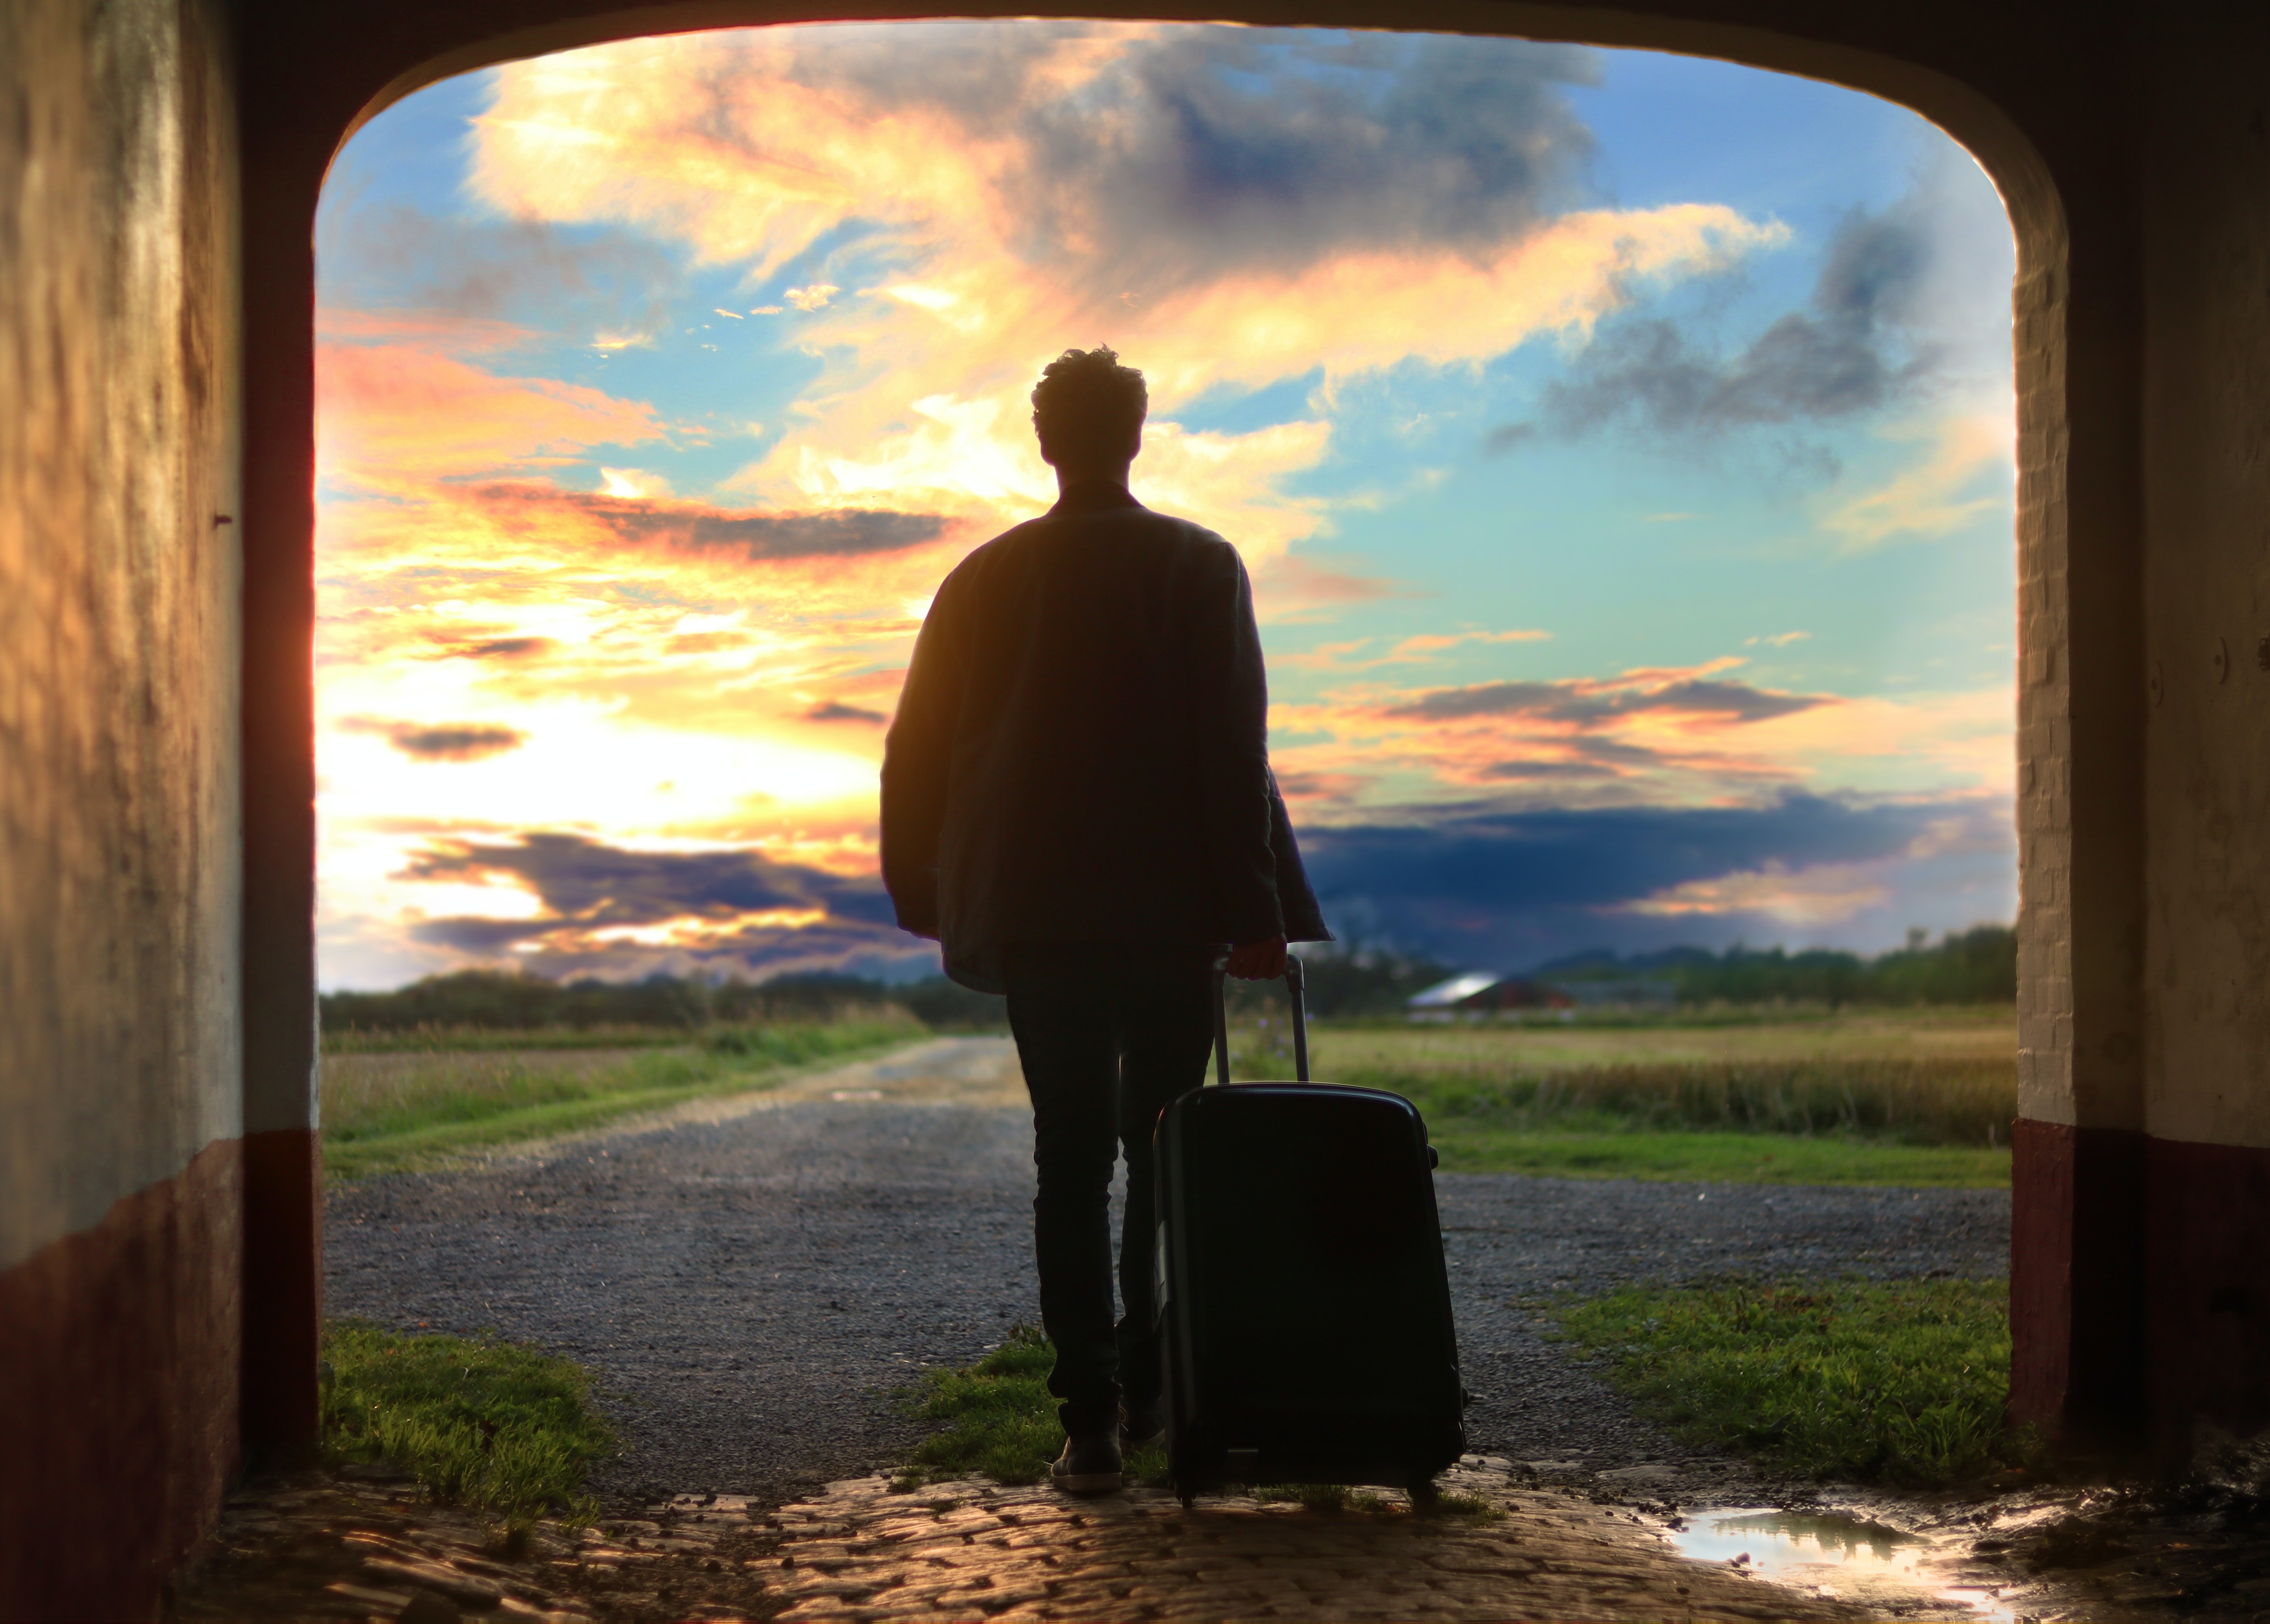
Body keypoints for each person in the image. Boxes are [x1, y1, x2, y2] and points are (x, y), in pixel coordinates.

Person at [880, 346, 1331, 1495]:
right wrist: (1254, 913)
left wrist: (924, 890)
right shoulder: (1198, 564)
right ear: (1136, 437)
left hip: (1036, 915)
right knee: (1163, 1151)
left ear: (1046, 443)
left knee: (1069, 1161)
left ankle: (1089, 1427)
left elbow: (916, 749)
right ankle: (1153, 1391)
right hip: (1169, 913)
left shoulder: (981, 579)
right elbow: (1232, 753)